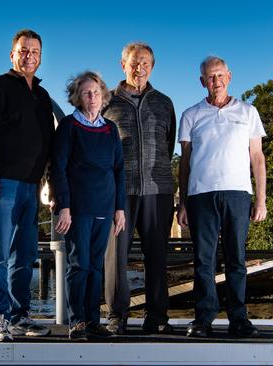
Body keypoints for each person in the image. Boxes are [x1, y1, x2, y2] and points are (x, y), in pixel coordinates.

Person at [0, 29, 54, 343]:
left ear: (40, 57)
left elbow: (48, 143)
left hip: (31, 187)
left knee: (25, 255)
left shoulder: (42, 97)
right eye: (23, 50)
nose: (29, 56)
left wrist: (47, 183)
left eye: (34, 51)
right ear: (12, 55)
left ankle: (20, 317)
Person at [177, 56, 267, 338]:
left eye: (220, 76)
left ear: (229, 76)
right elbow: (185, 162)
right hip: (200, 195)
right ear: (202, 81)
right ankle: (203, 319)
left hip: (238, 194)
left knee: (236, 259)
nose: (215, 81)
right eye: (210, 77)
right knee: (204, 260)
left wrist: (261, 199)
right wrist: (182, 202)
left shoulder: (248, 112)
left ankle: (239, 319)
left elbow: (257, 157)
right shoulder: (191, 114)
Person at [102, 42, 177, 335]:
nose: (139, 68)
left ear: (152, 66)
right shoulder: (107, 101)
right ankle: (116, 316)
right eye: (134, 63)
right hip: (118, 192)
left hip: (158, 191)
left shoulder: (164, 102)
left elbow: (168, 146)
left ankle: (156, 317)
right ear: (123, 65)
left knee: (157, 256)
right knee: (116, 256)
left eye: (145, 63)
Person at [51, 71, 126, 341]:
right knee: (78, 264)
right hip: (77, 208)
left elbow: (119, 170)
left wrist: (120, 209)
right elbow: (58, 168)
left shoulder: (110, 129)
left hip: (105, 207)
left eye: (96, 91)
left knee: (95, 266)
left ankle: (94, 321)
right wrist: (64, 206)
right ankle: (77, 322)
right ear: (78, 97)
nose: (92, 96)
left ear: (103, 95)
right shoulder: (69, 126)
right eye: (86, 92)